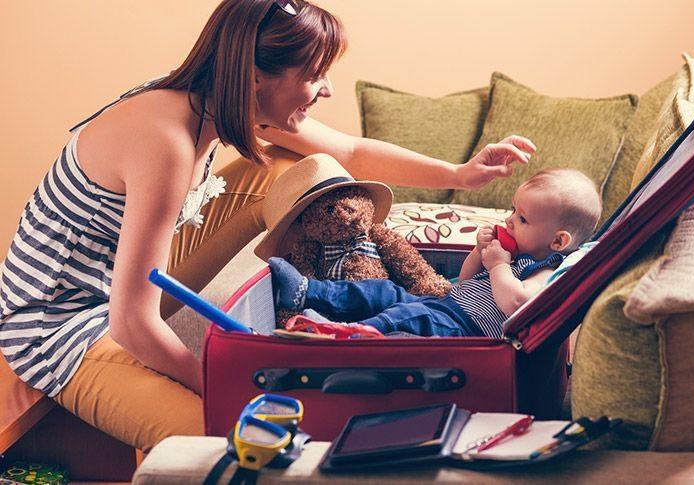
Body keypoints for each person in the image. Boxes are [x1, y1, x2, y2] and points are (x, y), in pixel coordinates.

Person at [0, 0, 534, 451]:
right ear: (257, 77)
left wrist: (460, 175)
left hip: (119, 282)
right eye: (314, 75)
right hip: (58, 325)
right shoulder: (164, 142)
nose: (324, 90)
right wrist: (237, 381)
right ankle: (293, 319)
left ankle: (319, 289)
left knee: (291, 165)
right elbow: (132, 324)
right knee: (245, 442)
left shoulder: (219, 100)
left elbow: (347, 150)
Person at [269, 169, 602, 338]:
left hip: (463, 330)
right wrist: (478, 252)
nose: (510, 221)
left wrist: (499, 266)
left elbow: (517, 303)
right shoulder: (511, 254)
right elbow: (466, 281)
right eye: (513, 210)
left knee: (404, 319)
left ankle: (339, 335)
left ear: (558, 242)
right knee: (385, 292)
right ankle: (309, 290)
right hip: (446, 305)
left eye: (523, 219)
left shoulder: (545, 269)